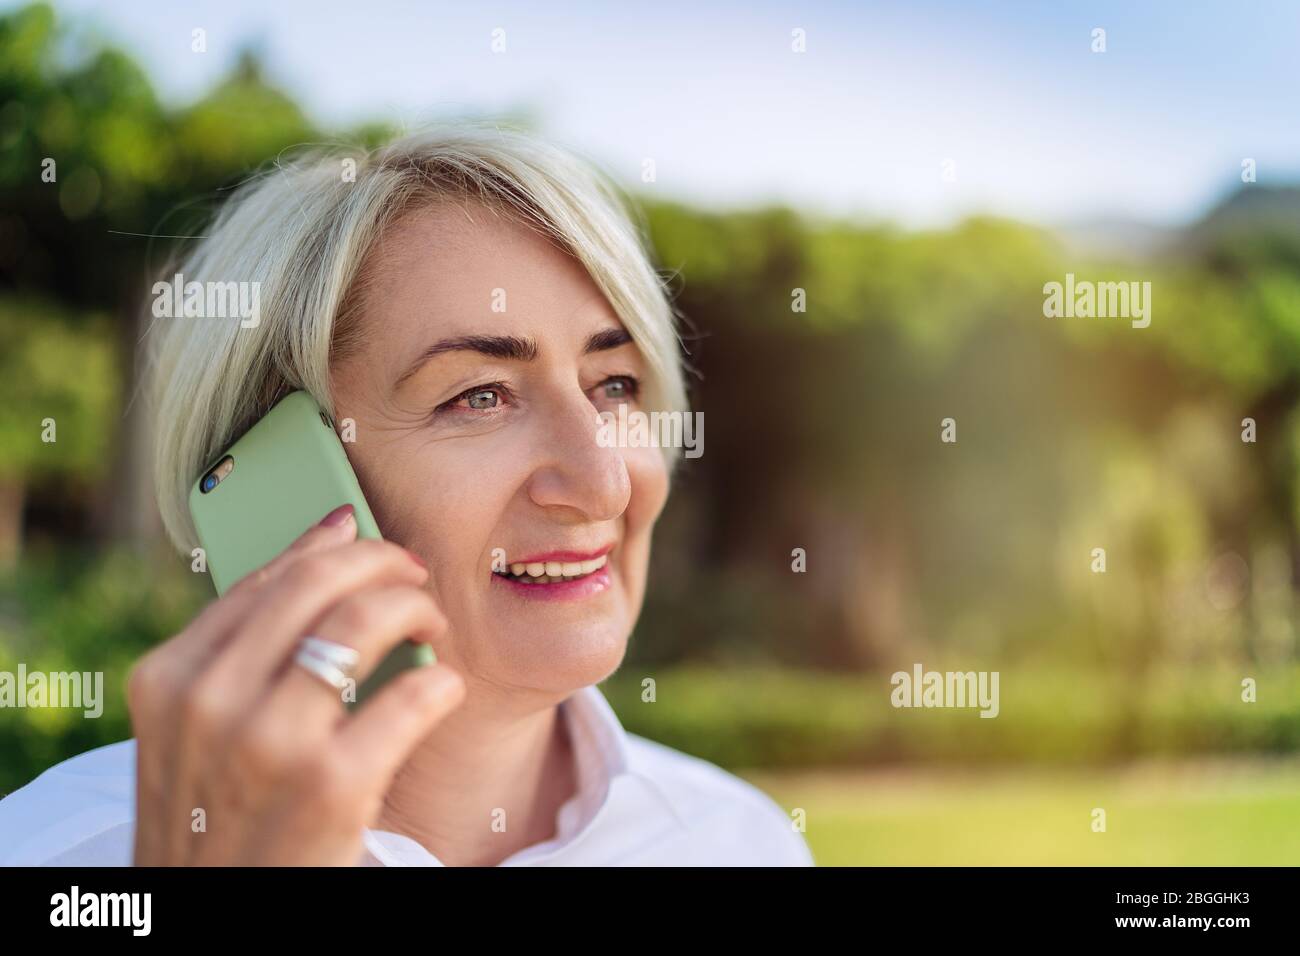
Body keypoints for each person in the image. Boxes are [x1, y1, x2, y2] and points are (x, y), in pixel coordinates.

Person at [0, 125, 814, 867]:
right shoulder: (63, 853)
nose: (602, 483)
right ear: (275, 471)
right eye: (480, 396)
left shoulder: (739, 842)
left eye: (614, 383)